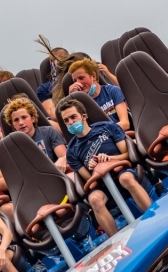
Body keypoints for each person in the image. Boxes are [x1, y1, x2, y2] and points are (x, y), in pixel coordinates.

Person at [58, 98, 152, 236]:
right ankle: (116, 240)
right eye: (66, 120)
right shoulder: (72, 150)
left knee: (126, 178)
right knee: (94, 199)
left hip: (122, 170)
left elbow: (127, 155)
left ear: (84, 116)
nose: (71, 122)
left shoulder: (107, 127)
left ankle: (152, 217)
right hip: (102, 184)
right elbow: (90, 179)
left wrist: (109, 159)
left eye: (73, 117)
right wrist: (94, 167)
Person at [2, 96, 68, 172]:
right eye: (16, 120)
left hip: (56, 174)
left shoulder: (49, 132)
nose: (21, 123)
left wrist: (62, 159)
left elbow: (64, 156)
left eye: (24, 117)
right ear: (12, 124)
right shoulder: (11, 146)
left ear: (33, 118)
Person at [66, 58, 130, 131]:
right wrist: (71, 100)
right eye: (75, 81)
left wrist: (103, 133)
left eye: (81, 78)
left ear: (93, 76)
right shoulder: (80, 105)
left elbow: (125, 124)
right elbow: (79, 132)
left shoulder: (113, 91)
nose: (78, 83)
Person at [34, 35, 69, 116]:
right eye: (53, 60)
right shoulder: (44, 89)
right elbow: (52, 114)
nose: (57, 62)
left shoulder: (79, 78)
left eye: (61, 58)